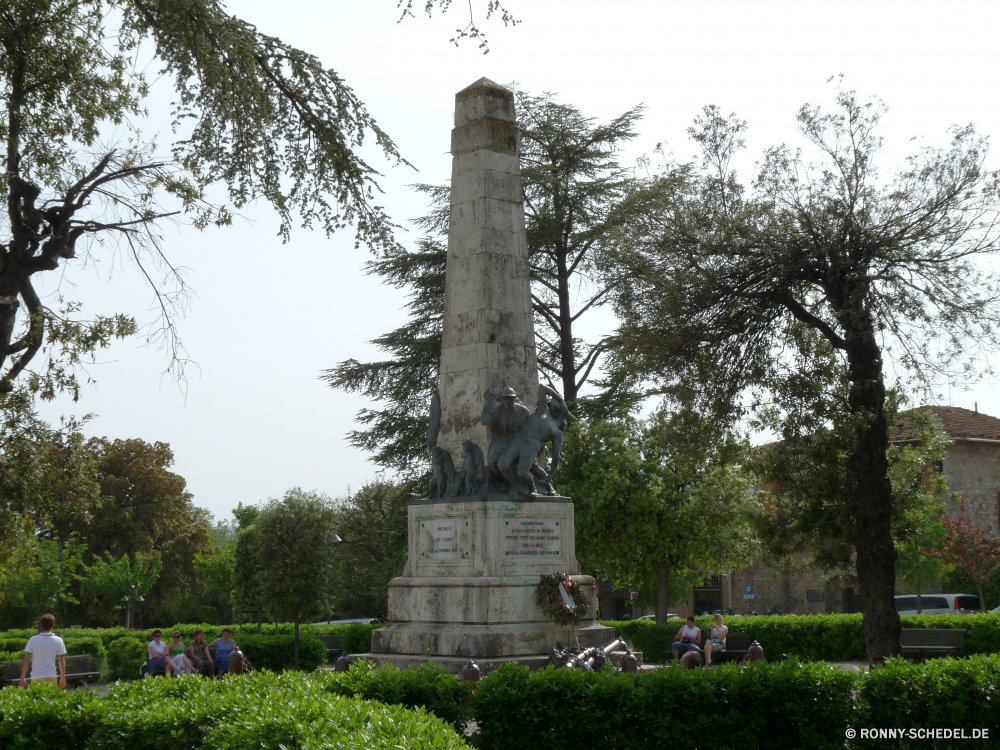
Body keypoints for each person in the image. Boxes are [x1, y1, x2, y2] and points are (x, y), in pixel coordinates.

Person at [19, 614, 67, 689]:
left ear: (40, 626)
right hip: (51, 675)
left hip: (36, 676)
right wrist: (63, 678)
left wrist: (22, 677)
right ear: (53, 626)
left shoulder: (33, 640)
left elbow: (27, 659)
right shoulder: (59, 640)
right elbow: (61, 660)